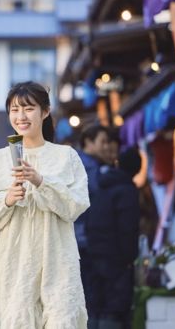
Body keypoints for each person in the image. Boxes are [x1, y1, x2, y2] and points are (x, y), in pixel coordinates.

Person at [0, 82, 90, 328]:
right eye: (14, 110)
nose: (20, 116)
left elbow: (76, 206)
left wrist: (40, 181)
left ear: (45, 111)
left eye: (28, 109)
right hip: (14, 262)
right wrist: (7, 199)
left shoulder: (66, 156)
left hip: (58, 260)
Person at [86, 148, 141, 329]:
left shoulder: (102, 185)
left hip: (94, 252)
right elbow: (128, 228)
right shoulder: (126, 190)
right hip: (115, 257)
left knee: (96, 304)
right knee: (114, 306)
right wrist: (129, 257)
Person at [74, 124, 110, 320]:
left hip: (81, 239)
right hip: (85, 240)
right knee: (89, 299)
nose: (106, 147)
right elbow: (92, 204)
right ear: (88, 142)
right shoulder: (87, 167)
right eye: (102, 142)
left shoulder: (86, 164)